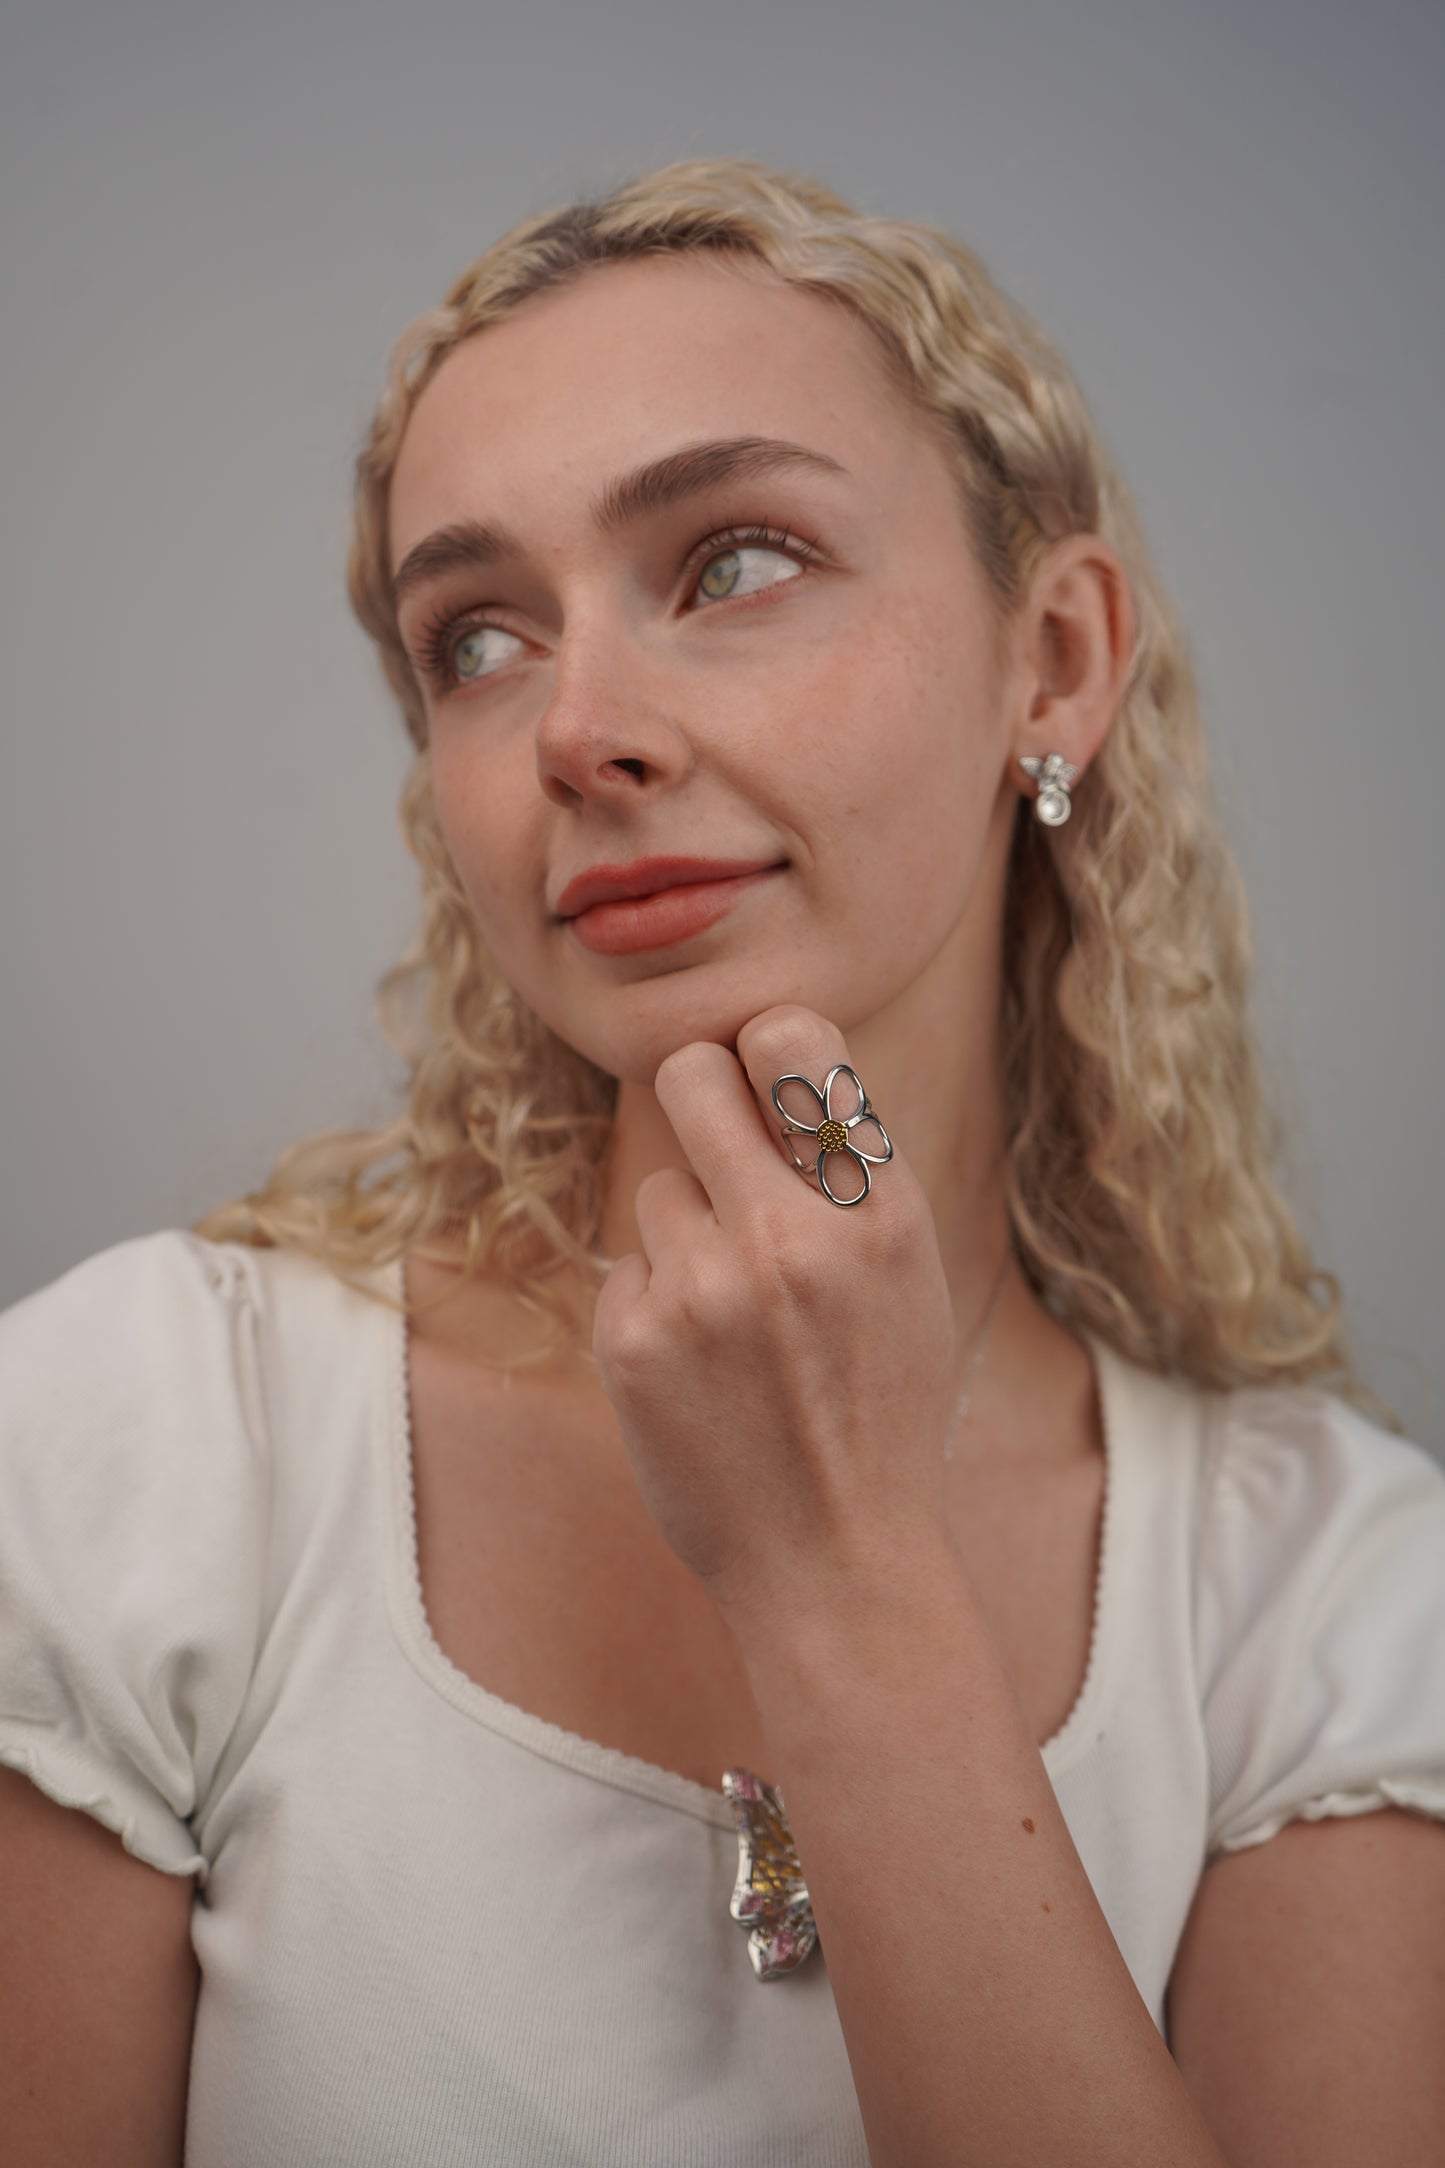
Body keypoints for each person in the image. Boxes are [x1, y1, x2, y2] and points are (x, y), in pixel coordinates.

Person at [2, 155, 1443, 2168]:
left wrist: (841, 1577)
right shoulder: (139, 1440)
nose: (580, 726)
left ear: (1056, 661)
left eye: (736, 561)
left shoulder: (1341, 1603)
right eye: (480, 637)